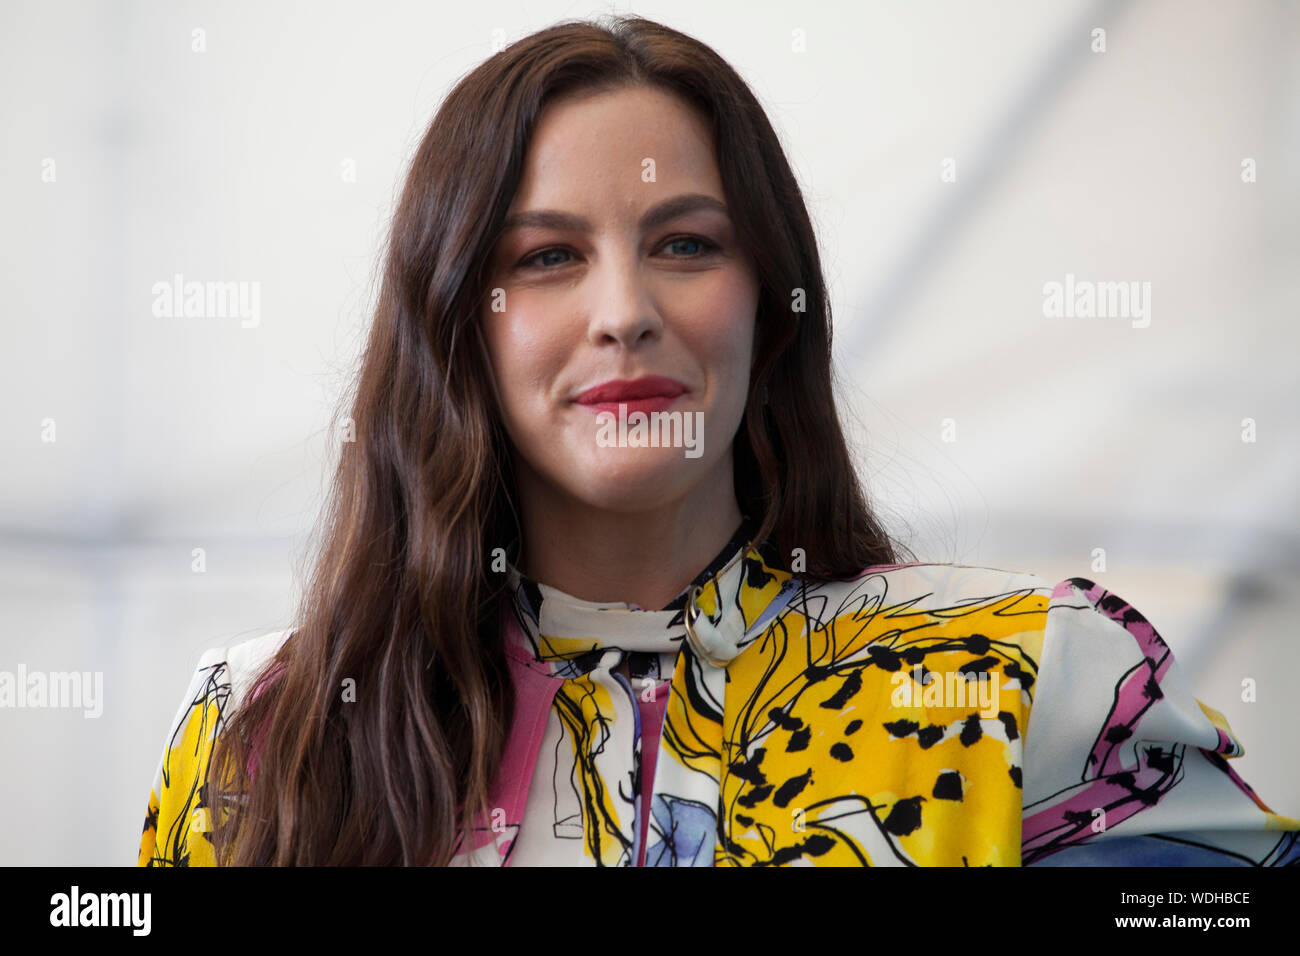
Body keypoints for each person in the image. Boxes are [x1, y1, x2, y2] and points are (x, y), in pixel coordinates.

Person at [136, 14, 1299, 867]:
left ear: (770, 299)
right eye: (545, 256)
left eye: (686, 242)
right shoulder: (259, 727)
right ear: (456, 327)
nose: (624, 308)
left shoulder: (1041, 677)